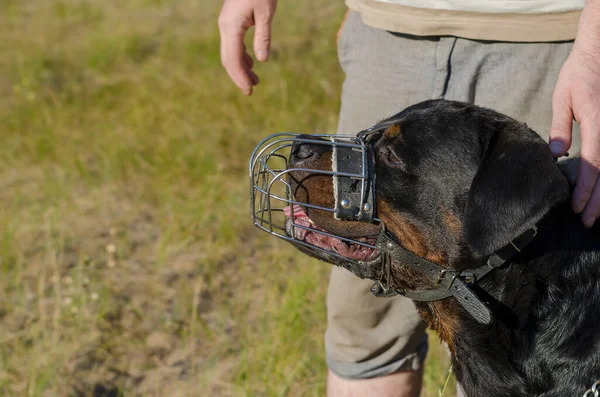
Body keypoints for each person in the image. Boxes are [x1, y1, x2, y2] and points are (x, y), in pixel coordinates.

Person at [218, 1, 600, 396]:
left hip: (549, 35)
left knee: (521, 312)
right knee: (366, 333)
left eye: (389, 156)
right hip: (393, 25)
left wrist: (595, 47)